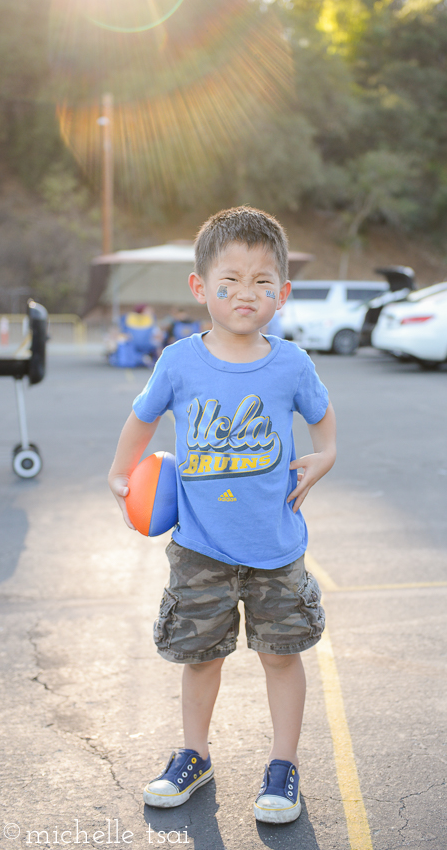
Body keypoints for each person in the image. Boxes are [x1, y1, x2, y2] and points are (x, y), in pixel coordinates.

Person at [108, 207, 336, 824]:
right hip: (200, 547)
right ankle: (195, 754)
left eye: (264, 282)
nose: (246, 294)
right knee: (200, 657)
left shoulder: (290, 364)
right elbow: (143, 416)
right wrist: (120, 472)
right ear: (199, 287)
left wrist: (325, 456)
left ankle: (283, 766)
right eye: (230, 280)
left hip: (275, 549)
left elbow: (323, 420)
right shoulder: (180, 361)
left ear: (283, 294)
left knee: (281, 656)